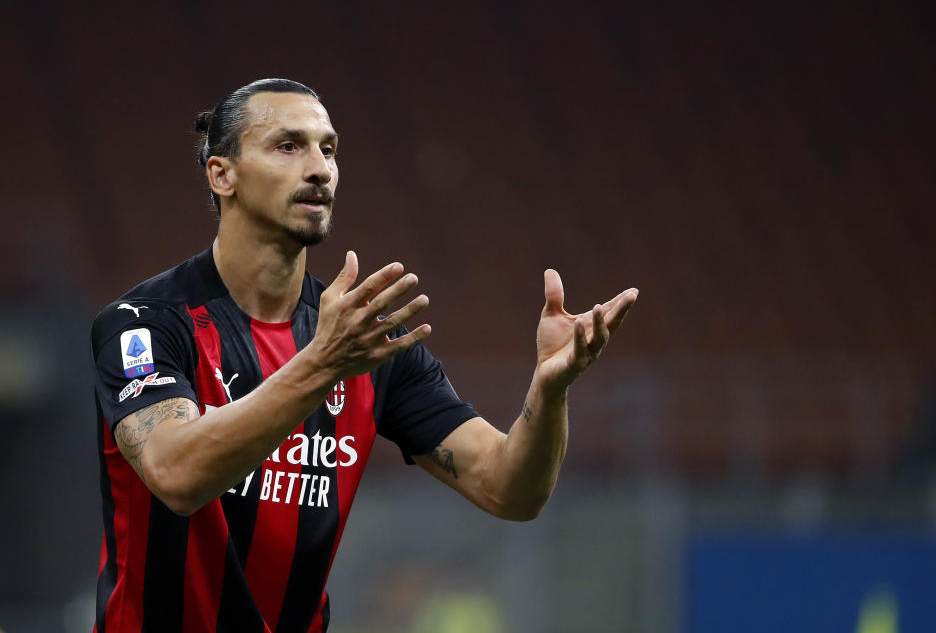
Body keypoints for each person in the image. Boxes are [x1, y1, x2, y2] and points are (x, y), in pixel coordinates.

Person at [90, 78, 637, 632]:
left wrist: (548, 391)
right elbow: (176, 472)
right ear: (221, 174)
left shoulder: (370, 346)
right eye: (288, 146)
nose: (319, 168)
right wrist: (323, 363)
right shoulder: (146, 325)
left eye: (328, 149)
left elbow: (509, 490)